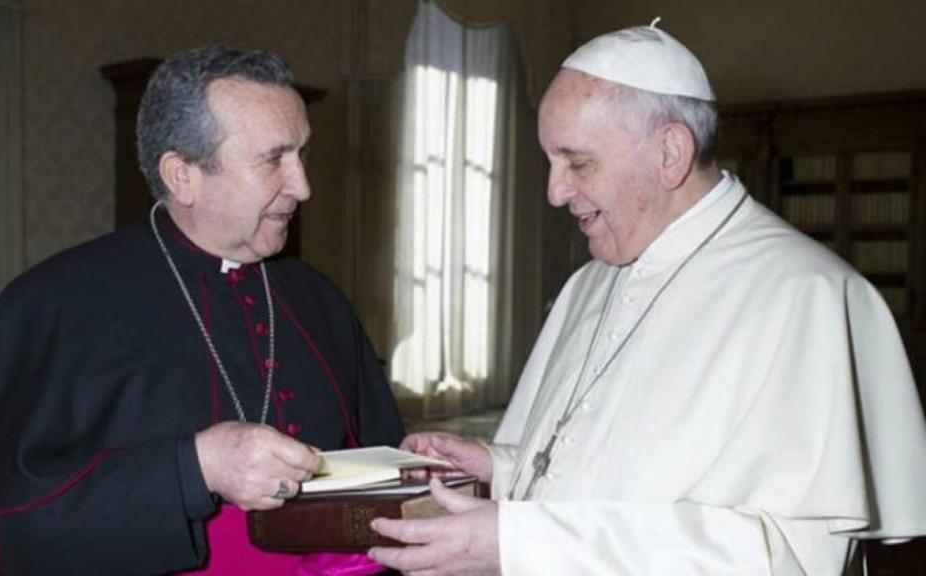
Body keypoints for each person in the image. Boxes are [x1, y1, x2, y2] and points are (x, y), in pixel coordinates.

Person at [368, 23, 926, 575]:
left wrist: (525, 544)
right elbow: (612, 471)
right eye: (550, 162)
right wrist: (501, 466)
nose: (554, 191)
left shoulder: (809, 297)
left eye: (578, 162)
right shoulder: (590, 283)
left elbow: (783, 558)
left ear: (670, 153)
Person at [0, 46, 404, 575]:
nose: (303, 186)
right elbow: (3, 534)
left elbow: (378, 471)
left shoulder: (316, 298)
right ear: (182, 175)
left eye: (302, 153)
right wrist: (193, 468)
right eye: (273, 159)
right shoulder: (56, 304)